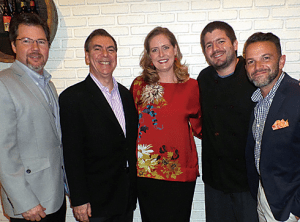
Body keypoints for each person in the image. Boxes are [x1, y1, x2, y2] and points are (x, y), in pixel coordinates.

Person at [59, 29, 138, 222]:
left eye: (110, 49)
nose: (105, 55)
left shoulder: (127, 96)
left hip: (125, 198)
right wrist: (79, 199)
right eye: (98, 49)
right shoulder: (72, 98)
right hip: (94, 204)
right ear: (87, 56)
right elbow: (71, 153)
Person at [130, 26, 202, 222]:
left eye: (165, 47)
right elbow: (129, 128)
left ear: (175, 49)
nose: (161, 54)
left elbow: (201, 127)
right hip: (148, 172)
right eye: (154, 50)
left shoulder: (191, 86)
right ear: (148, 55)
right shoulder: (139, 86)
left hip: (181, 172)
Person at [0, 13, 66, 222]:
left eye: (41, 41)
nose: (35, 48)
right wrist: (25, 202)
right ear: (13, 45)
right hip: (30, 205)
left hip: (54, 197)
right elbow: (3, 151)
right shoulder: (4, 85)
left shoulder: (49, 85)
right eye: (26, 41)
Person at [197, 21, 258, 221]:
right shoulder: (203, 79)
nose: (215, 49)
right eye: (208, 45)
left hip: (248, 181)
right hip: (215, 182)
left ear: (234, 44)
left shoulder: (252, 74)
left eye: (220, 41)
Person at [244, 32, 300, 222]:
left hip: (288, 205)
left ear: (281, 61)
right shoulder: (258, 102)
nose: (257, 67)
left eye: (265, 58)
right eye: (251, 61)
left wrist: (297, 207)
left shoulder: (297, 96)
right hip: (263, 195)